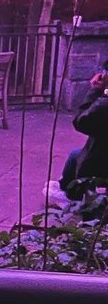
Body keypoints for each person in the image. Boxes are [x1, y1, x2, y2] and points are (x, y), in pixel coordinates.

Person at [57, 59, 108, 202]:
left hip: (101, 158)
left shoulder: (104, 105)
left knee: (78, 157)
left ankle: (71, 195)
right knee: (76, 153)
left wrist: (95, 90)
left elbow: (81, 121)